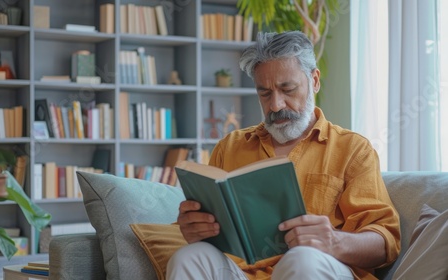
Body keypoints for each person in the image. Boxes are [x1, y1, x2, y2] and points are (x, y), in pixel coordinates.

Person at [166, 31, 401, 280]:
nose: (276, 105)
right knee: (189, 257)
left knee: (301, 259)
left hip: (314, 267)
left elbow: (385, 242)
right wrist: (195, 230)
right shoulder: (231, 146)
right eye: (264, 93)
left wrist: (335, 241)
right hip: (242, 273)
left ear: (315, 80)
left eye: (287, 89)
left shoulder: (353, 149)